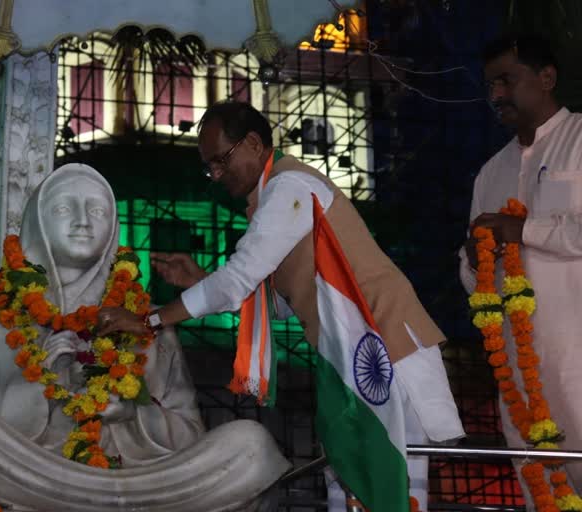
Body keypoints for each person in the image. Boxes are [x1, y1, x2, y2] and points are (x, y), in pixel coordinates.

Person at [99, 101, 465, 511]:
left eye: (221, 160)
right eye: (210, 167)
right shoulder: (277, 196)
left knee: (394, 492)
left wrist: (150, 319)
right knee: (351, 494)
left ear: (254, 144)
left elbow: (239, 279)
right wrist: (202, 282)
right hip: (350, 365)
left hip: (385, 354)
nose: (216, 175)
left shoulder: (289, 188)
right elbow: (278, 308)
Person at [0, 163, 290, 511]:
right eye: (65, 209)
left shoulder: (144, 318)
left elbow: (190, 433)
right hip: (29, 471)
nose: (83, 222)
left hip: (134, 481)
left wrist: (133, 414)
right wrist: (42, 391)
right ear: (39, 221)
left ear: (113, 226)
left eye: (97, 211)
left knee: (250, 446)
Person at [459, 33, 582, 507]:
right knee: (542, 496)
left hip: (576, 358)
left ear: (546, 78)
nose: (495, 96)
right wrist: (473, 261)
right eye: (490, 86)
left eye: (505, 81)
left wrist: (523, 230)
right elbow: (472, 283)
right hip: (517, 368)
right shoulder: (490, 173)